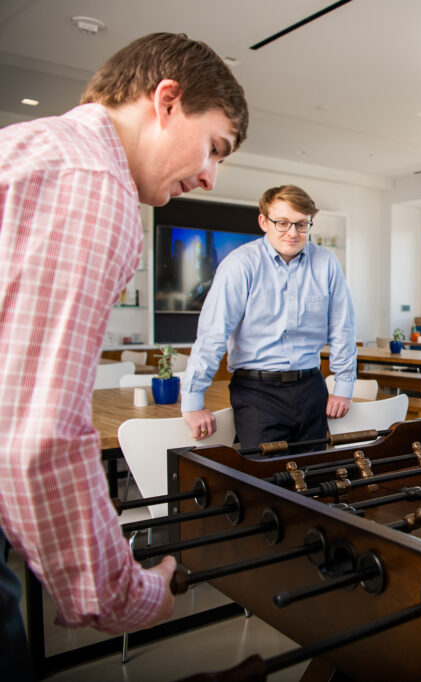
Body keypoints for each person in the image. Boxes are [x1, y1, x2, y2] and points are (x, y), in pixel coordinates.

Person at [0, 32, 248, 678]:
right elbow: (38, 439)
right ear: (166, 101)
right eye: (214, 147)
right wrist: (127, 593)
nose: (209, 176)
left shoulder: (30, 147)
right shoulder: (96, 187)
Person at [180, 185, 357, 452]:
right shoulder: (240, 264)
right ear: (264, 221)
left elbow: (342, 328)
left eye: (301, 224)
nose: (292, 232)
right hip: (257, 392)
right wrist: (193, 401)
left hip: (311, 387)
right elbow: (213, 334)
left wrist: (343, 386)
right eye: (283, 223)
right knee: (268, 482)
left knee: (315, 477)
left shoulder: (326, 263)